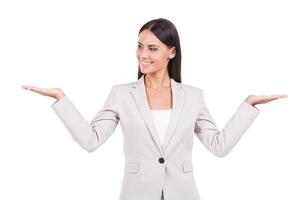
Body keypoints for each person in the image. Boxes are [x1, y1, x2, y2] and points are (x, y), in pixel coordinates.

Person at [21, 18, 287, 200]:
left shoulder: (193, 97)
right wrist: (61, 99)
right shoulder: (122, 94)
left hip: (182, 194)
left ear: (171, 52)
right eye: (139, 46)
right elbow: (91, 141)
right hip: (137, 193)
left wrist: (248, 106)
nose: (142, 55)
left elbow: (219, 146)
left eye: (152, 48)